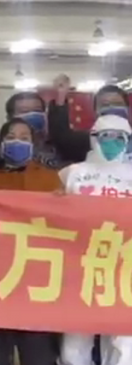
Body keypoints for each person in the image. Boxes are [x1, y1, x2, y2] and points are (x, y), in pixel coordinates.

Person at [0, 118, 61, 365]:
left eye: (24, 137)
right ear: (0, 143)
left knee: (38, 351)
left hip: (37, 278)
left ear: (33, 144)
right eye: (10, 137)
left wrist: (61, 204)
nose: (17, 142)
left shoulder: (50, 180)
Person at [59, 114, 132, 365]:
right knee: (75, 342)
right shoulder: (72, 174)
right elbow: (52, 212)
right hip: (81, 265)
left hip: (124, 268)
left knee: (124, 342)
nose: (113, 142)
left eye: (120, 137)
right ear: (93, 138)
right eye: (106, 136)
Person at [49, 77, 130, 163]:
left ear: (127, 108)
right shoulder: (85, 141)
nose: (111, 108)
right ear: (95, 112)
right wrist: (61, 97)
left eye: (118, 104)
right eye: (105, 105)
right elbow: (60, 138)